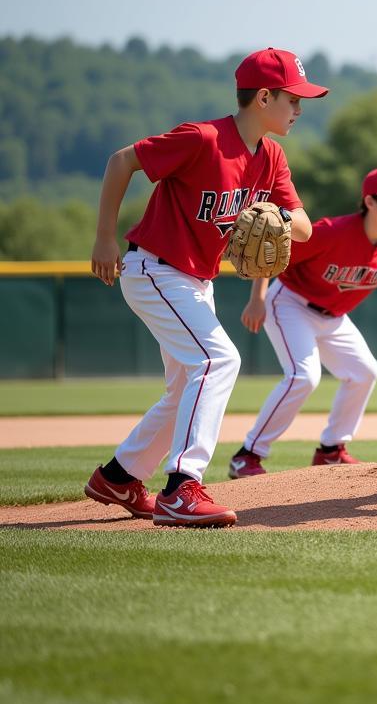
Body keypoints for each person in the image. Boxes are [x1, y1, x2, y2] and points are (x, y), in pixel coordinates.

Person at [84, 48, 326, 527]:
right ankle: (182, 486)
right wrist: (104, 237)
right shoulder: (202, 138)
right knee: (219, 360)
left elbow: (304, 227)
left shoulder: (271, 155)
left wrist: (276, 213)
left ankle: (118, 476)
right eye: (293, 99)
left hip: (196, 281)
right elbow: (121, 161)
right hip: (155, 269)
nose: (299, 109)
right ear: (263, 97)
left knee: (185, 389)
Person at [228, 166, 377, 477]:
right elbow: (274, 254)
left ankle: (331, 451)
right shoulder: (332, 231)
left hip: (333, 317)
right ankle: (248, 454)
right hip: (291, 303)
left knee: (364, 372)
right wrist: (257, 299)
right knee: (303, 376)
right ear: (370, 201)